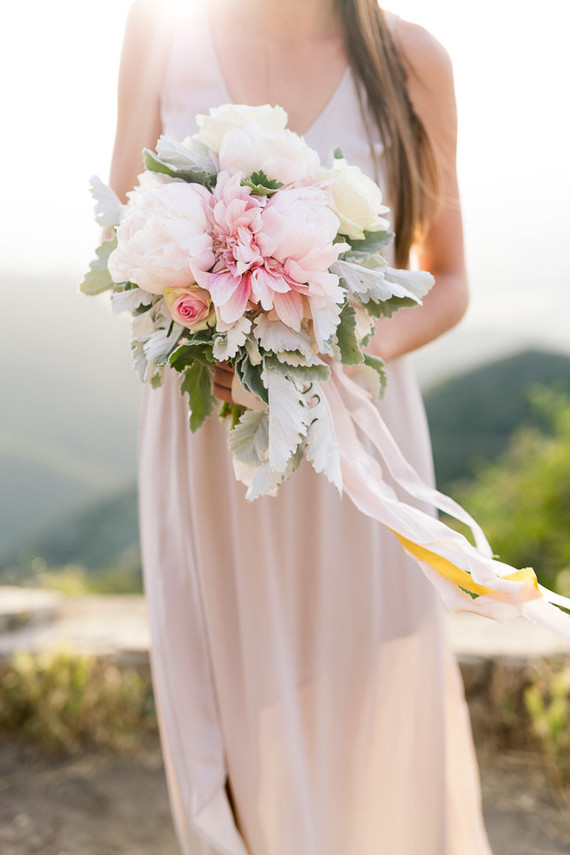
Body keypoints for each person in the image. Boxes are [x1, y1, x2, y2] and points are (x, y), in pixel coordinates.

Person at [110, 0, 493, 852]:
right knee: (228, 735)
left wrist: (346, 351)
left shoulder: (412, 60)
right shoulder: (160, 30)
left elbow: (450, 279)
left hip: (354, 437)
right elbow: (117, 237)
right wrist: (193, 322)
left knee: (367, 710)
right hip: (207, 436)